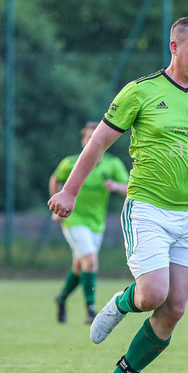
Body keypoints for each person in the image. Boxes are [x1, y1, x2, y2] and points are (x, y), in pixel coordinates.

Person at [48, 16, 188, 373]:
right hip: (148, 208)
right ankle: (120, 303)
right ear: (174, 47)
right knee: (151, 295)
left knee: (174, 307)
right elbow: (98, 144)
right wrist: (69, 192)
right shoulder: (140, 91)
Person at [50, 121, 129, 325]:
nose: (93, 140)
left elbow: (129, 187)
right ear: (83, 141)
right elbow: (55, 179)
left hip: (96, 223)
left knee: (80, 266)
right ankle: (91, 309)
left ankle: (61, 298)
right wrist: (58, 208)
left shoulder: (112, 164)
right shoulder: (71, 163)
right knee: (91, 260)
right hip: (74, 219)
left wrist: (116, 186)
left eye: (96, 136)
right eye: (89, 137)